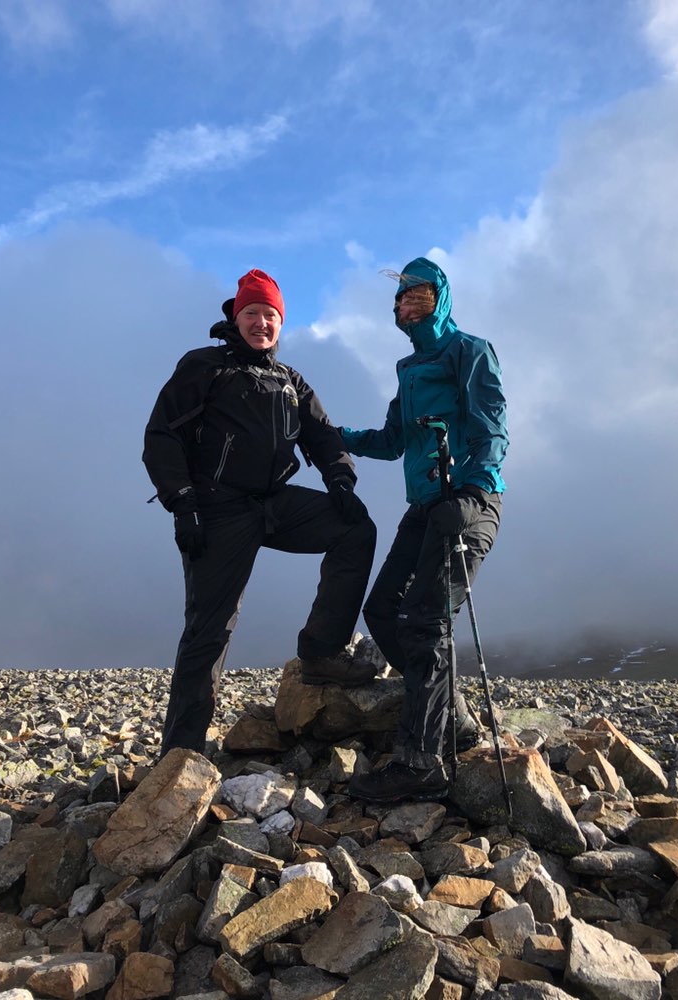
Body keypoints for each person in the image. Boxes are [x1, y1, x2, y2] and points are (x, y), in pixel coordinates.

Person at [143, 268, 377, 757]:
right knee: (211, 627)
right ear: (236, 315)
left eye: (271, 315)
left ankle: (320, 651)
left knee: (356, 529)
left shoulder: (290, 380)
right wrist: (182, 503)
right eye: (252, 312)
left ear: (280, 323)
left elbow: (323, 435)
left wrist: (341, 481)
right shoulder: (205, 366)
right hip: (217, 507)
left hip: (274, 502)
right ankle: (181, 754)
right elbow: (161, 435)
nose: (262, 322)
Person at [341, 257, 508, 803]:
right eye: (402, 298)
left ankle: (420, 763)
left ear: (441, 297)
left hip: (468, 502)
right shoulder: (407, 371)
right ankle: (452, 720)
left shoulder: (470, 351)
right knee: (384, 610)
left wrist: (470, 489)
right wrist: (332, 435)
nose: (409, 303)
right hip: (424, 508)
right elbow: (392, 442)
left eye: (420, 294)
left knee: (426, 619)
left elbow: (491, 430)